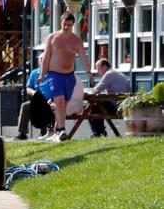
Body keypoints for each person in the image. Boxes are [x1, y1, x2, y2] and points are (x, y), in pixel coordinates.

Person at [38, 10, 93, 141]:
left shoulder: (76, 41)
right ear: (61, 23)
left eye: (69, 24)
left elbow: (83, 58)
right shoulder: (52, 38)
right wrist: (42, 74)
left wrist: (89, 73)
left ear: (73, 24)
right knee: (59, 101)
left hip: (69, 76)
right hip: (54, 75)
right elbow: (46, 57)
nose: (66, 27)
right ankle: (62, 130)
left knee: (64, 104)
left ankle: (58, 131)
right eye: (64, 24)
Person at [87, 57, 131, 137]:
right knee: (97, 106)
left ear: (104, 66)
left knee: (92, 108)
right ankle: (100, 132)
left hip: (117, 107)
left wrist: (89, 91)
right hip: (123, 104)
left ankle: (98, 133)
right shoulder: (116, 73)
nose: (97, 71)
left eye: (98, 68)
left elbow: (96, 89)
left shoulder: (109, 74)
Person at [14, 61, 51, 140]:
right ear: (39, 63)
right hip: (38, 99)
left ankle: (44, 130)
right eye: (43, 61)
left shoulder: (53, 73)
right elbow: (28, 88)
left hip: (51, 100)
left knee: (44, 106)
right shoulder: (34, 73)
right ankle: (22, 133)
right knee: (25, 106)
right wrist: (34, 92)